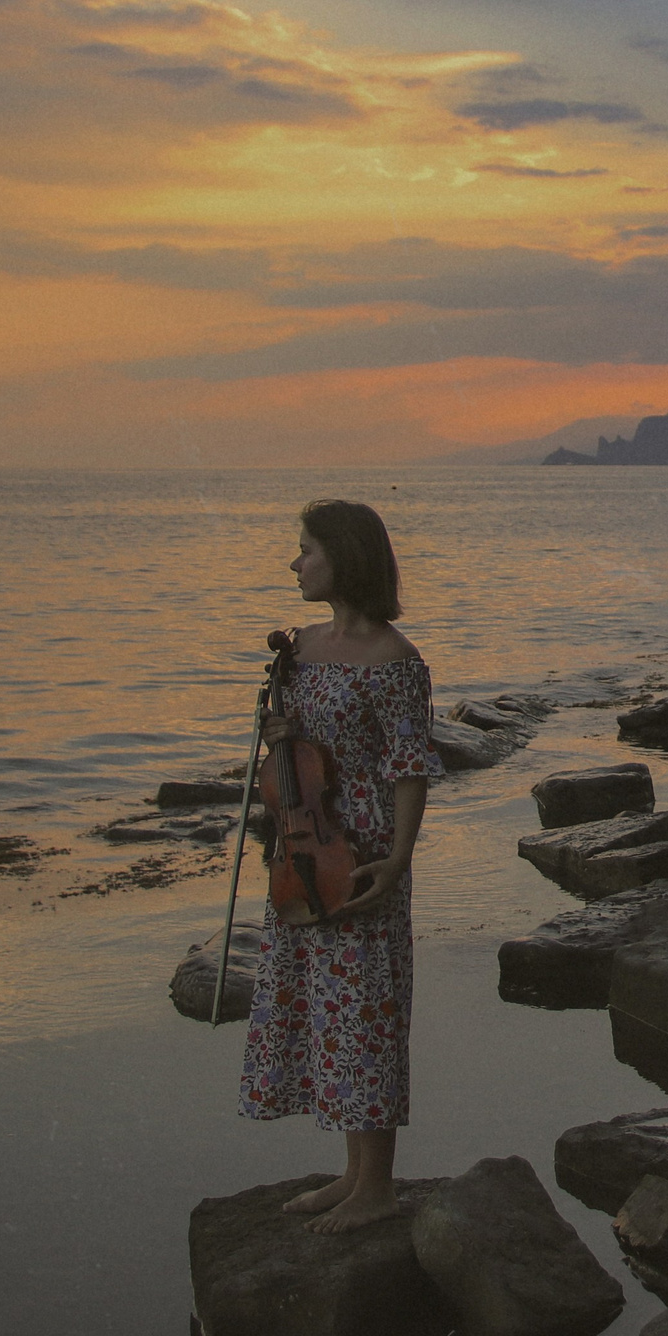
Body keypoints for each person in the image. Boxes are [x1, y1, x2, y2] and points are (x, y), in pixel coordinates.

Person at [237, 498, 439, 1233]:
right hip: (304, 851)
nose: (295, 563)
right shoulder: (304, 647)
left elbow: (411, 769)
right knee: (329, 1014)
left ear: (344, 558)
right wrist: (281, 730)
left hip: (361, 858)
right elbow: (293, 751)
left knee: (368, 1017)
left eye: (306, 550)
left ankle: (377, 1187)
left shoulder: (395, 660)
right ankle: (353, 1175)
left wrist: (396, 862)